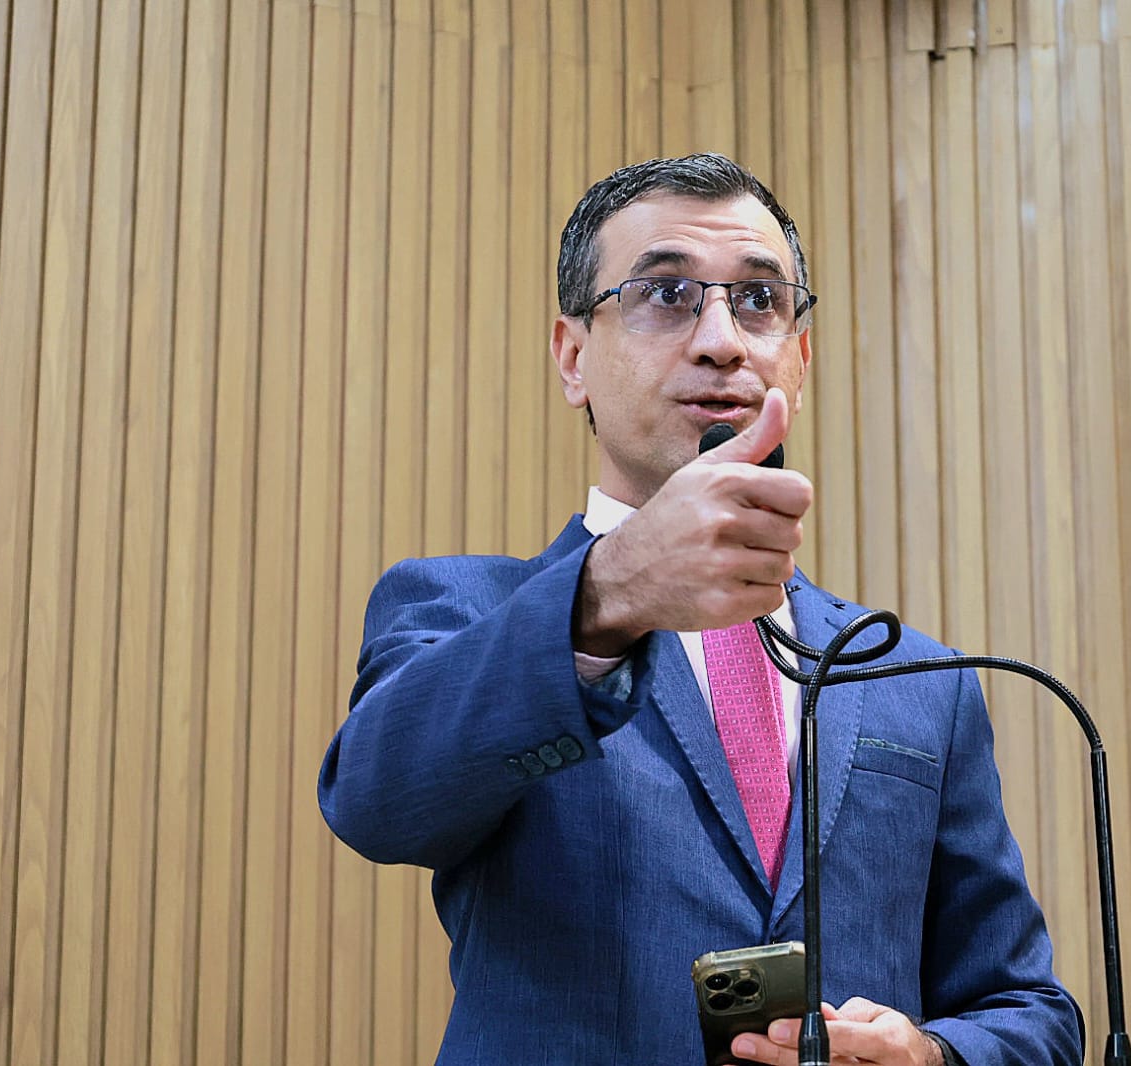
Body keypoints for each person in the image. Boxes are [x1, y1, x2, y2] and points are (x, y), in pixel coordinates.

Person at [319, 154, 1083, 1066]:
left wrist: (931, 1055)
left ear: (798, 359)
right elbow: (377, 805)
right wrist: (606, 596)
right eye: (666, 293)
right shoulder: (465, 610)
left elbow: (1027, 1009)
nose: (722, 340)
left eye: (758, 301)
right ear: (573, 357)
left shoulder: (917, 679)